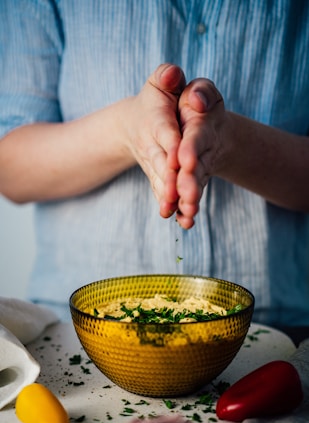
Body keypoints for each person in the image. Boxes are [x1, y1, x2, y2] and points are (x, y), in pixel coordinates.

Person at [0, 1, 308, 328]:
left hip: (274, 327)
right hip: (76, 326)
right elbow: (9, 170)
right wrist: (125, 128)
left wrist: (229, 142)